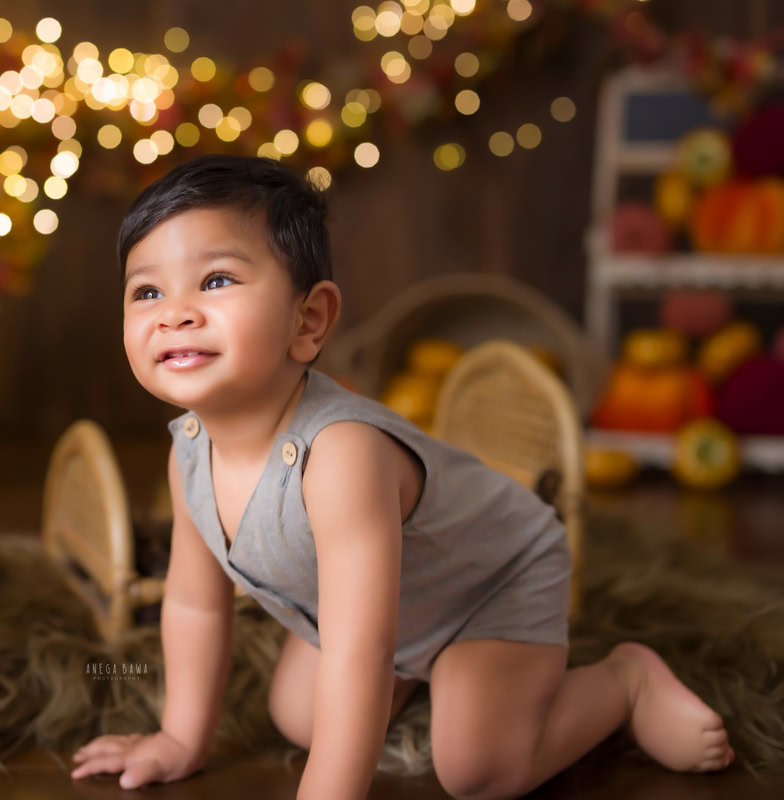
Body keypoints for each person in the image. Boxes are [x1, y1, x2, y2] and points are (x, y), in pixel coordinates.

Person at [69, 153, 733, 799]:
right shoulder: (188, 448)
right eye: (147, 290)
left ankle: (624, 683)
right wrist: (181, 739)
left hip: (485, 584)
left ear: (309, 320)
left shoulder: (341, 453)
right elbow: (193, 602)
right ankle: (421, 675)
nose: (174, 311)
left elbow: (363, 648)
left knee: (480, 770)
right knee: (299, 716)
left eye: (216, 280)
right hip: (386, 607)